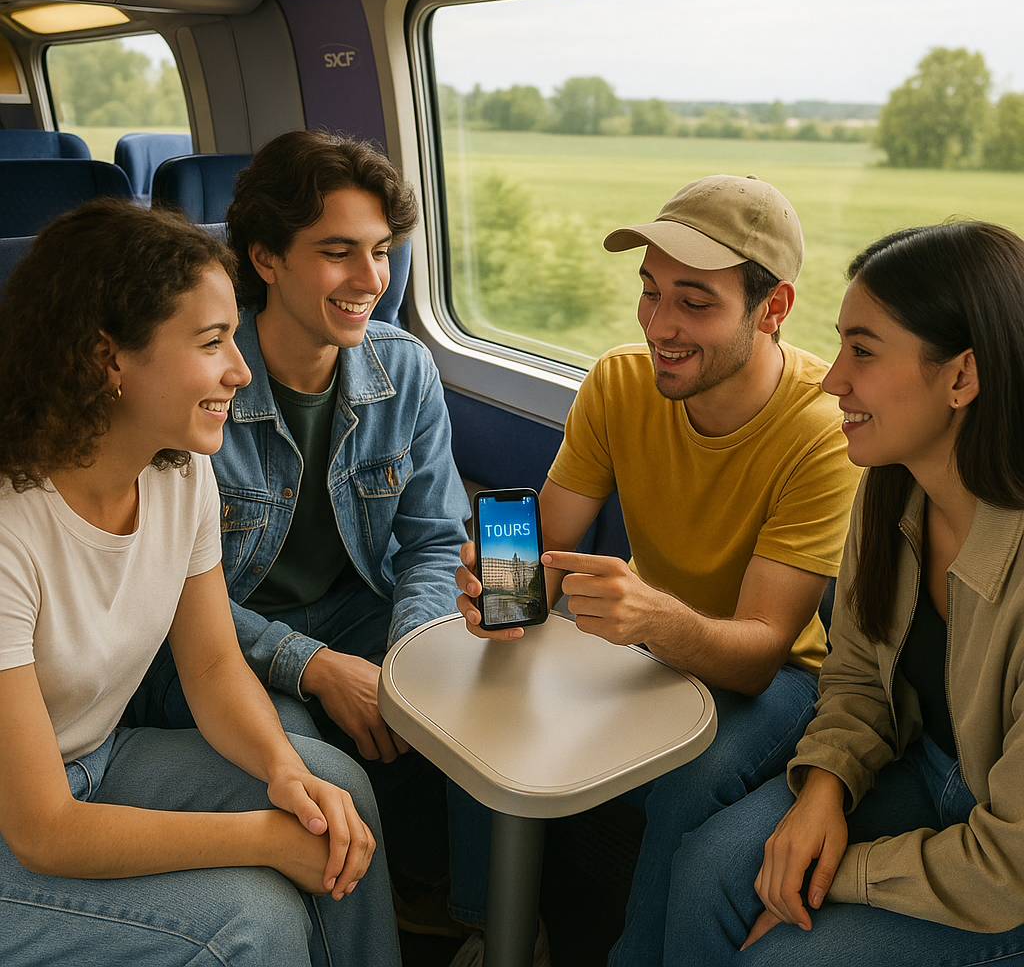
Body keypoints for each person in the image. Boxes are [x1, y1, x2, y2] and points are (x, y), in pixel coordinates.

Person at [454, 174, 862, 959]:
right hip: (644, 631)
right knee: (487, 682)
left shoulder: (820, 433)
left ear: (772, 309)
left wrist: (655, 619)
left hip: (780, 675)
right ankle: (491, 922)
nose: (660, 327)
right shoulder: (617, 382)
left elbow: (761, 650)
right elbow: (543, 543)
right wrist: (497, 579)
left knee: (691, 778)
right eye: (650, 293)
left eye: (695, 302)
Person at [0, 198, 400, 967]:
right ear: (107, 358)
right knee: (250, 919)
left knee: (331, 792)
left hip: (96, 759)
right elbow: (42, 829)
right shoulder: (14, 527)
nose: (241, 372)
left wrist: (284, 772)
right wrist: (259, 838)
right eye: (212, 341)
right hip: (23, 821)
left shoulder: (181, 470)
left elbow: (213, 666)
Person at [664, 220, 1024, 967]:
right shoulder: (892, 492)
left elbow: (1009, 867)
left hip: (1009, 870)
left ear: (962, 376)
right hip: (926, 772)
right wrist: (824, 789)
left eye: (862, 350)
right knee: (709, 869)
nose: (831, 378)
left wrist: (843, 875)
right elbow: (858, 674)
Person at [134, 130, 470, 923]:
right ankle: (361, 922)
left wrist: (409, 656)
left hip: (356, 605)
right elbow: (166, 599)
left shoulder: (406, 368)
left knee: (471, 693)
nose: (371, 280)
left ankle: (470, 914)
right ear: (266, 258)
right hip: (213, 638)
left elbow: (430, 536)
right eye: (338, 252)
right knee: (304, 754)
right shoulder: (198, 381)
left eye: (383, 252)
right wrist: (314, 666)